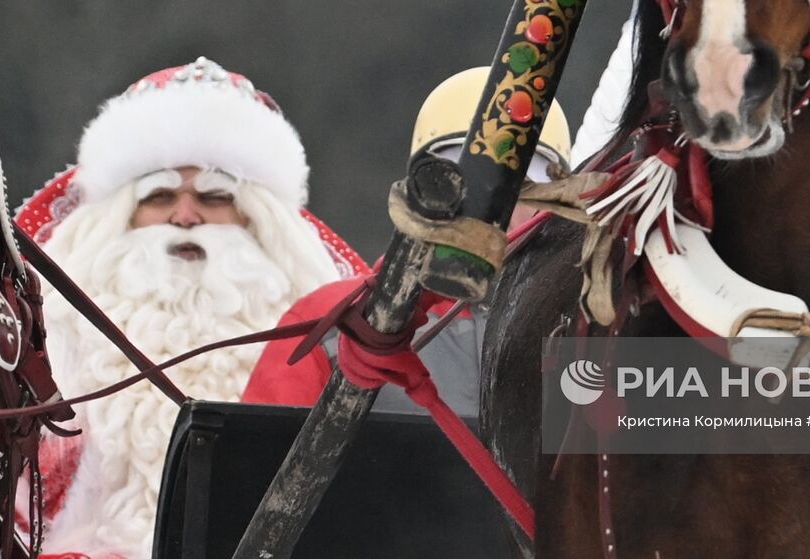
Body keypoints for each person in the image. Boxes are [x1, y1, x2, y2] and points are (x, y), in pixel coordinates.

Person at [16, 57, 365, 559]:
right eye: (158, 196)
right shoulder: (51, 344)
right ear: (118, 216)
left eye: (213, 197)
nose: (184, 216)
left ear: (258, 218)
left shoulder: (324, 344)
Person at [242, 66, 571, 416]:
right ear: (420, 195)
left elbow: (632, 452)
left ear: (558, 201)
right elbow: (262, 464)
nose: (486, 207)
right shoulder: (328, 324)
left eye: (514, 186)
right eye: (462, 186)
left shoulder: (608, 326)